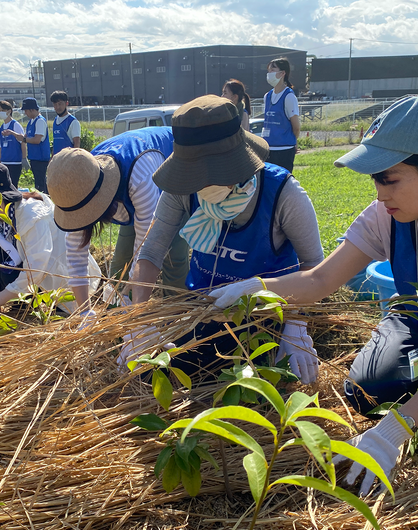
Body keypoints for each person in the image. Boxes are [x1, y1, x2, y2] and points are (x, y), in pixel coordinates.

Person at [210, 95, 418, 490]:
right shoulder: (386, 217)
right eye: (376, 179)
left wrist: (391, 435)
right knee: (364, 392)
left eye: (389, 179)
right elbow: (319, 281)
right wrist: (257, 289)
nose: (379, 194)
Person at [123, 95, 324, 382]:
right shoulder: (182, 189)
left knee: (264, 387)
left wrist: (296, 324)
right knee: (156, 375)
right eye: (195, 176)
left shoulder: (282, 194)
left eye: (212, 175)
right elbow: (151, 251)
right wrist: (139, 320)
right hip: (203, 312)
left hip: (268, 318)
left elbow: (314, 266)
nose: (201, 185)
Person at [47, 126, 189, 313]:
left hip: (173, 179)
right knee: (121, 261)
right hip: (130, 193)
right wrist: (83, 312)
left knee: (174, 257)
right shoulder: (76, 182)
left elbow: (148, 250)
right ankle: (113, 312)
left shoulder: (139, 178)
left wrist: (136, 312)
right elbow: (75, 252)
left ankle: (174, 318)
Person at [0, 160, 99, 329]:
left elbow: (35, 270)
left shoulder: (31, 215)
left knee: (53, 325)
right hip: (30, 286)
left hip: (61, 284)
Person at [262, 57, 300, 173]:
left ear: (283, 73)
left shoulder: (289, 96)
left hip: (284, 149)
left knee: (282, 183)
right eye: (268, 71)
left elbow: (296, 126)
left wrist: (293, 141)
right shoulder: (267, 96)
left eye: (273, 70)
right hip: (268, 148)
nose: (269, 74)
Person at [2, 97, 48, 192]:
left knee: (41, 184)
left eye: (26, 111)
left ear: (32, 110)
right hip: (34, 157)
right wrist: (12, 133)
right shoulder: (31, 122)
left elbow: (37, 140)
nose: (25, 113)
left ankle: (45, 202)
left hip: (41, 158)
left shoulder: (39, 121)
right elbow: (24, 137)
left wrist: (24, 139)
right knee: (38, 183)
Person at [0, 100, 27, 188]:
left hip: (15, 162)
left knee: (13, 186)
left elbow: (22, 142)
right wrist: (0, 161)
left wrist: (24, 158)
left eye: (2, 111)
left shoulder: (15, 125)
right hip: (5, 161)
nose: (0, 113)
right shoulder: (1, 128)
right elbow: (1, 147)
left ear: (9, 111)